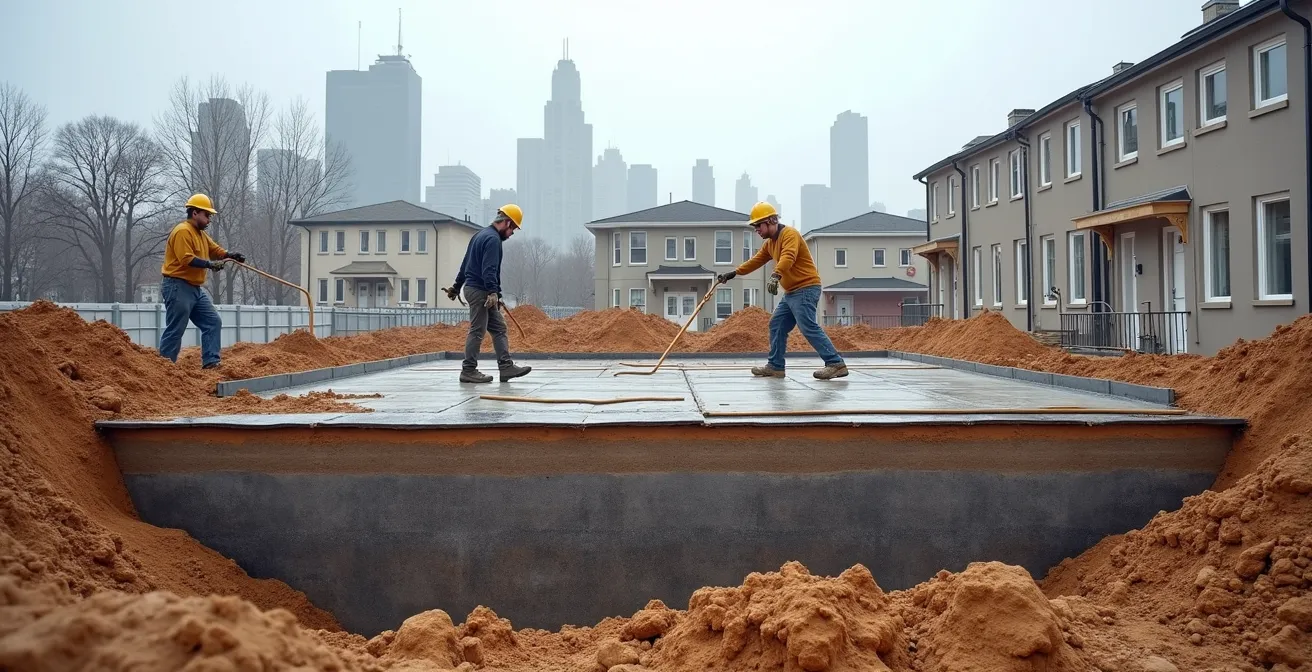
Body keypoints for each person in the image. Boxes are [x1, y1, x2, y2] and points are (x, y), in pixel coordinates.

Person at [716, 201, 847, 380]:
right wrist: (733, 273)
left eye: (758, 226)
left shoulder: (789, 234)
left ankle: (835, 363)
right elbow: (755, 261)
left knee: (807, 325)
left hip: (806, 287)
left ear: (771, 221)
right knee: (776, 324)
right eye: (754, 227)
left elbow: (789, 256)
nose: (757, 230)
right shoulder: (770, 243)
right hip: (792, 292)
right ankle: (775, 366)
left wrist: (776, 274)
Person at [444, 204, 532, 384]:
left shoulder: (479, 235)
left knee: (499, 328)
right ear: (506, 222)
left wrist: (456, 286)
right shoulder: (492, 240)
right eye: (513, 228)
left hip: (477, 289)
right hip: (481, 292)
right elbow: (489, 270)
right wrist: (493, 292)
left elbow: (465, 264)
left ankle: (506, 367)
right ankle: (468, 370)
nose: (512, 233)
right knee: (477, 330)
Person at [157, 193, 245, 369]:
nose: (209, 220)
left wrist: (229, 255)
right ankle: (164, 369)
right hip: (177, 286)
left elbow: (214, 249)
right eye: (207, 215)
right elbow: (186, 259)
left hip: (194, 289)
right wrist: (209, 264)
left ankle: (211, 362)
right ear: (195, 213)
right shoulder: (183, 231)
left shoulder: (200, 235)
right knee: (176, 329)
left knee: (213, 322)